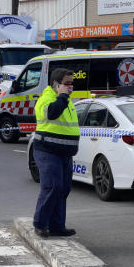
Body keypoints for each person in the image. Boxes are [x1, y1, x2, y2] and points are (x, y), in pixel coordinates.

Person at [31, 68, 80, 238]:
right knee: (52, 187)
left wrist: (64, 97)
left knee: (63, 189)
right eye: (67, 83)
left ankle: (57, 226)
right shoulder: (47, 99)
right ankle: (40, 224)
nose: (70, 87)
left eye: (71, 83)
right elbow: (52, 113)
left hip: (64, 152)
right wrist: (62, 96)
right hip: (48, 150)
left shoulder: (66, 100)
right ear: (56, 84)